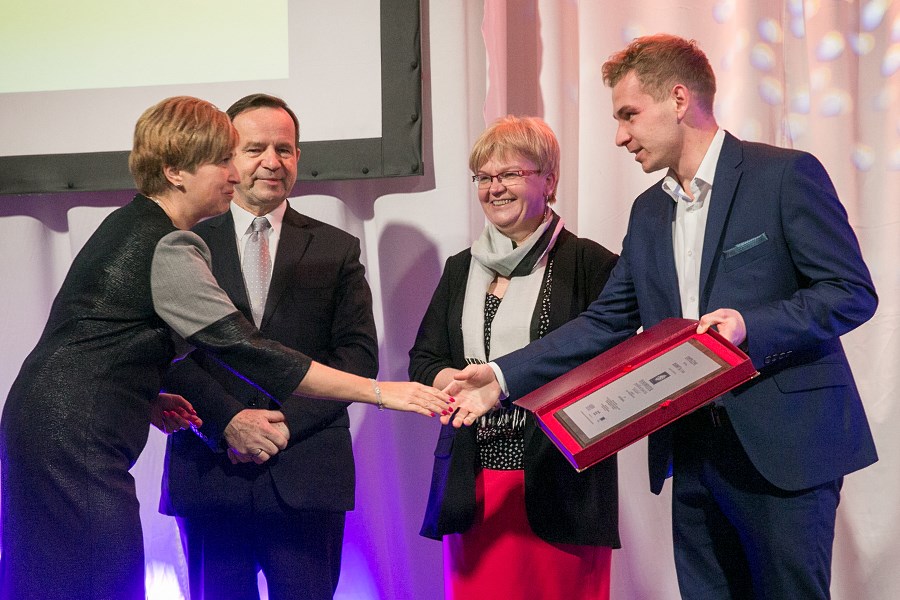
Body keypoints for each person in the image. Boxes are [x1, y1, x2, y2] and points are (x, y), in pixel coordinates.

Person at [447, 35, 878, 599]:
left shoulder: (784, 175)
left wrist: (752, 326)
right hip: (692, 450)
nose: (619, 136)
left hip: (786, 448)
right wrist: (501, 376)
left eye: (628, 114)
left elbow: (850, 292)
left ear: (678, 99)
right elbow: (605, 322)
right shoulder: (648, 211)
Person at [0, 96, 450, 600]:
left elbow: (103, 335)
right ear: (174, 171)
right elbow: (245, 349)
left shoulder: (134, 224)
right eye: (222, 160)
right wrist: (381, 392)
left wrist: (145, 393)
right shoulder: (169, 244)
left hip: (51, 426)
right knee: (97, 583)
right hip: (73, 440)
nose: (235, 173)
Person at [158, 93, 377, 600]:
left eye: (285, 149)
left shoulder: (337, 248)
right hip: (211, 470)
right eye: (255, 148)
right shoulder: (184, 242)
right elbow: (166, 350)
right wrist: (228, 424)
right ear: (227, 157)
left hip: (306, 470)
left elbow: (357, 357)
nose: (272, 162)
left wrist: (275, 428)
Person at [409, 116, 620, 600]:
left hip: (559, 484)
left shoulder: (591, 264)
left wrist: (505, 384)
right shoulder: (460, 268)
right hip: (474, 485)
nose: (494, 188)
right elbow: (423, 359)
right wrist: (459, 382)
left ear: (549, 180)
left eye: (510, 174)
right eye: (484, 177)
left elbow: (607, 363)